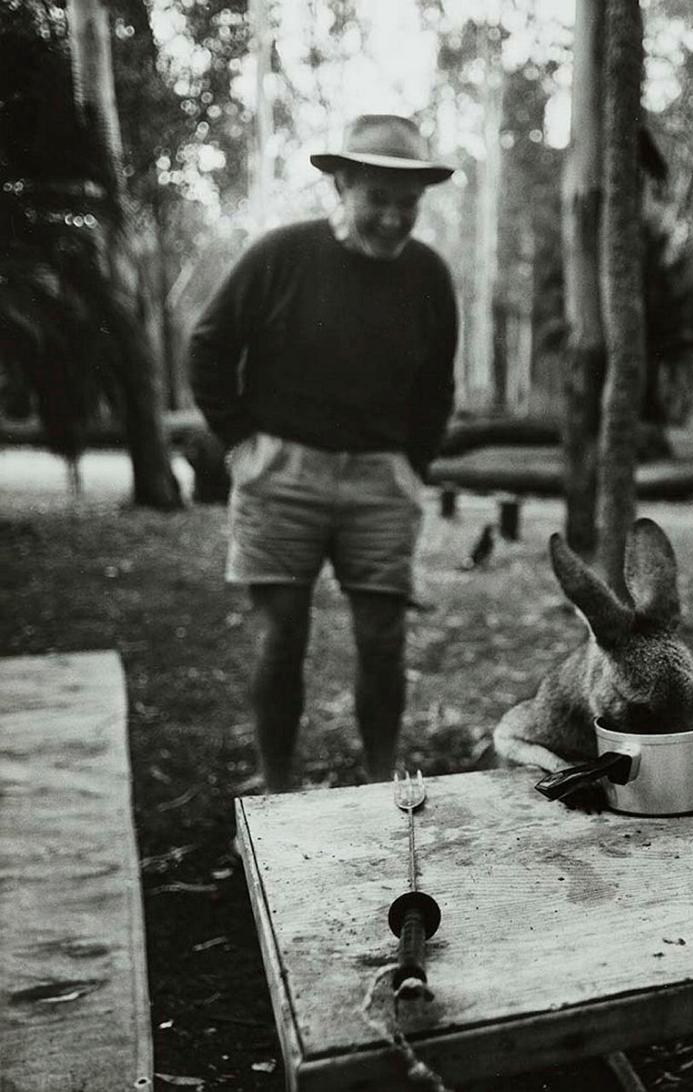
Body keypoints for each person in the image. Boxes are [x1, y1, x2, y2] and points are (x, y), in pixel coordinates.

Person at [189, 114, 458, 791]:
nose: (396, 218)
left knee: (383, 641)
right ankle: (279, 788)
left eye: (409, 203)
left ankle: (379, 787)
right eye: (379, 200)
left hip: (380, 482)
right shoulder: (280, 255)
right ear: (341, 184)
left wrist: (412, 466)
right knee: (281, 639)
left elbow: (436, 387)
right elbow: (210, 345)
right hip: (280, 475)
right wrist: (240, 443)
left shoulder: (428, 276)